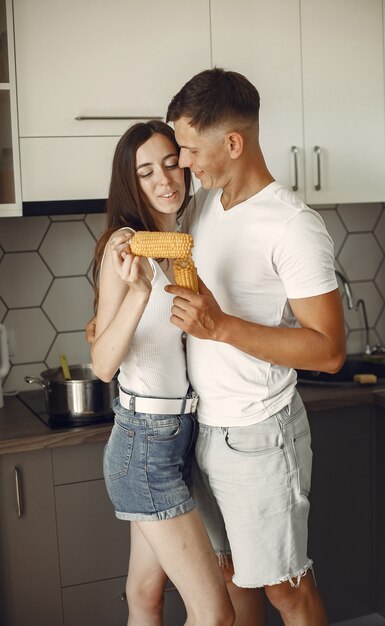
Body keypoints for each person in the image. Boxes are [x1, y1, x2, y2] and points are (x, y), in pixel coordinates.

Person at [163, 68, 346, 626]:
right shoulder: (203, 209)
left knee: (286, 590)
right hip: (205, 428)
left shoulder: (294, 226)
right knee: (231, 580)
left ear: (233, 143)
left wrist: (221, 327)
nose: (184, 163)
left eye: (190, 149)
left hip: (261, 436)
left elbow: (330, 350)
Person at [90, 119, 234, 626]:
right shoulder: (124, 247)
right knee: (215, 614)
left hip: (179, 435)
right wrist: (140, 294)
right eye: (146, 171)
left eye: (172, 163)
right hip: (143, 443)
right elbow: (104, 363)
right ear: (130, 182)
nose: (164, 179)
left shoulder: (179, 241)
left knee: (145, 596)